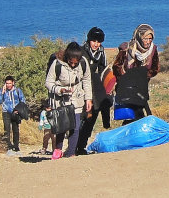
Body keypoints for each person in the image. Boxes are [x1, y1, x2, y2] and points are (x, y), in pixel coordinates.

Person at [45, 41, 92, 159]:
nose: (73, 65)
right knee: (62, 126)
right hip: (60, 101)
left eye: (75, 63)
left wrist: (88, 99)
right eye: (71, 62)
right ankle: (58, 150)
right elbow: (48, 83)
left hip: (77, 99)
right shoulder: (57, 64)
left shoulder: (83, 63)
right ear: (67, 57)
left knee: (75, 127)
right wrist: (60, 90)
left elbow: (86, 81)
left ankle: (71, 153)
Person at [112, 24, 160, 124]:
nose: (148, 41)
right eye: (145, 38)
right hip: (127, 88)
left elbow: (155, 68)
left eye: (150, 39)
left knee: (138, 112)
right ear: (139, 37)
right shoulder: (126, 49)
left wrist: (143, 76)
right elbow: (117, 67)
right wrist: (126, 79)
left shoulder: (153, 50)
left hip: (141, 88)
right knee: (131, 114)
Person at [76, 26, 112, 155]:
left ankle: (81, 147)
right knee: (81, 119)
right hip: (81, 89)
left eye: (99, 41)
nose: (96, 44)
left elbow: (103, 70)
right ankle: (73, 146)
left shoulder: (101, 52)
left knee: (91, 119)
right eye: (94, 41)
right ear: (89, 40)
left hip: (95, 89)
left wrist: (108, 86)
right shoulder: (81, 52)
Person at [0, 75, 25, 152]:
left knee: (15, 129)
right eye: (7, 83)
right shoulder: (3, 91)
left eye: (9, 83)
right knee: (6, 129)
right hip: (6, 112)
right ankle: (7, 145)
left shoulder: (17, 91)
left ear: (13, 83)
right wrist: (2, 93)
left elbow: (23, 101)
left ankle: (16, 145)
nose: (8, 85)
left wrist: (18, 110)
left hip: (15, 112)